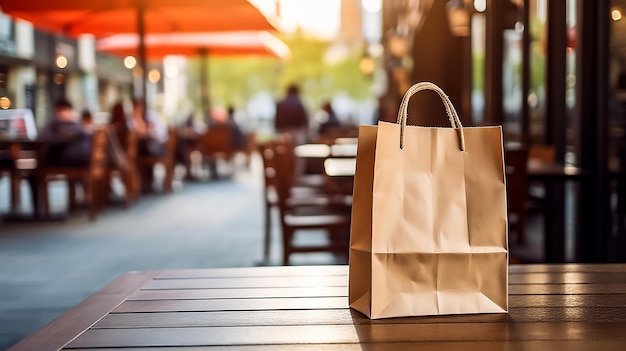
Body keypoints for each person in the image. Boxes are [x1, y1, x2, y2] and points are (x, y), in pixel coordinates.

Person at [39, 98, 92, 167]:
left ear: (57, 110)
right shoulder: (79, 123)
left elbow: (42, 138)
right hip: (85, 159)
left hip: (64, 159)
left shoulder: (54, 122)